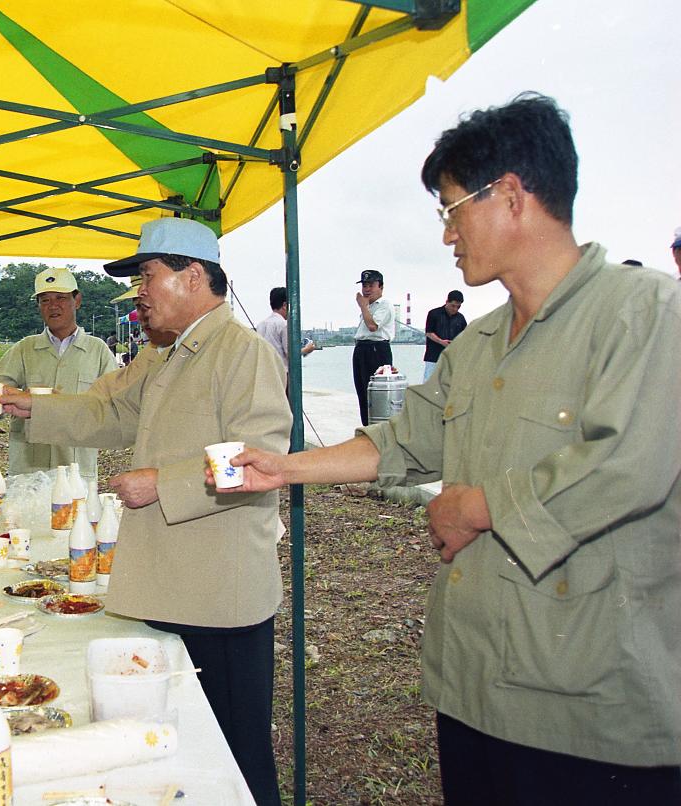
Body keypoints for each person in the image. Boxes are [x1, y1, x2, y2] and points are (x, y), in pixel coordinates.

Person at [216, 94, 681, 805]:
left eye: (451, 208)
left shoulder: (645, 313)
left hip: (590, 709)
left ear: (513, 197)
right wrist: (283, 466)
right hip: (476, 690)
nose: (446, 235)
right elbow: (405, 439)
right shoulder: (481, 345)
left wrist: (480, 506)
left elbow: (631, 463)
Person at [0, 218, 291, 806]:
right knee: (179, 740)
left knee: (235, 752)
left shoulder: (243, 354)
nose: (140, 291)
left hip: (220, 596)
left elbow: (259, 459)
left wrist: (163, 483)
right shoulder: (165, 354)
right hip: (172, 583)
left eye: (148, 276)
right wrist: (29, 404)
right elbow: (103, 409)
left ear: (193, 276)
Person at [0, 266, 116, 485]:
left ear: (77, 301)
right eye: (44, 300)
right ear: (38, 306)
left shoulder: (97, 351)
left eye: (61, 298)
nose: (53, 306)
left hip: (76, 471)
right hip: (29, 470)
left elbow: (115, 405)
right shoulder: (24, 349)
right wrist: (9, 399)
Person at [351, 269, 395, 425]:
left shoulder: (384, 305)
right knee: (362, 391)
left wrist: (363, 306)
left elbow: (372, 326)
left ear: (381, 287)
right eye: (364, 285)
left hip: (377, 350)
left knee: (377, 394)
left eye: (371, 285)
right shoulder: (368, 306)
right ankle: (367, 425)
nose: (367, 289)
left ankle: (377, 427)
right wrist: (365, 306)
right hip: (362, 349)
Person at [255, 285, 317, 372]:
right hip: (282, 374)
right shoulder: (283, 324)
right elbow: (290, 354)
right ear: (284, 305)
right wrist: (307, 349)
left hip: (265, 374)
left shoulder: (260, 325)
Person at [421, 289, 466, 381]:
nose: (455, 309)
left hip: (452, 358)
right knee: (429, 383)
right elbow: (429, 333)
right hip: (433, 357)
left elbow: (465, 336)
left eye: (458, 307)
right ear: (447, 302)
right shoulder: (433, 314)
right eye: (453, 306)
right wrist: (441, 342)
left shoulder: (461, 318)